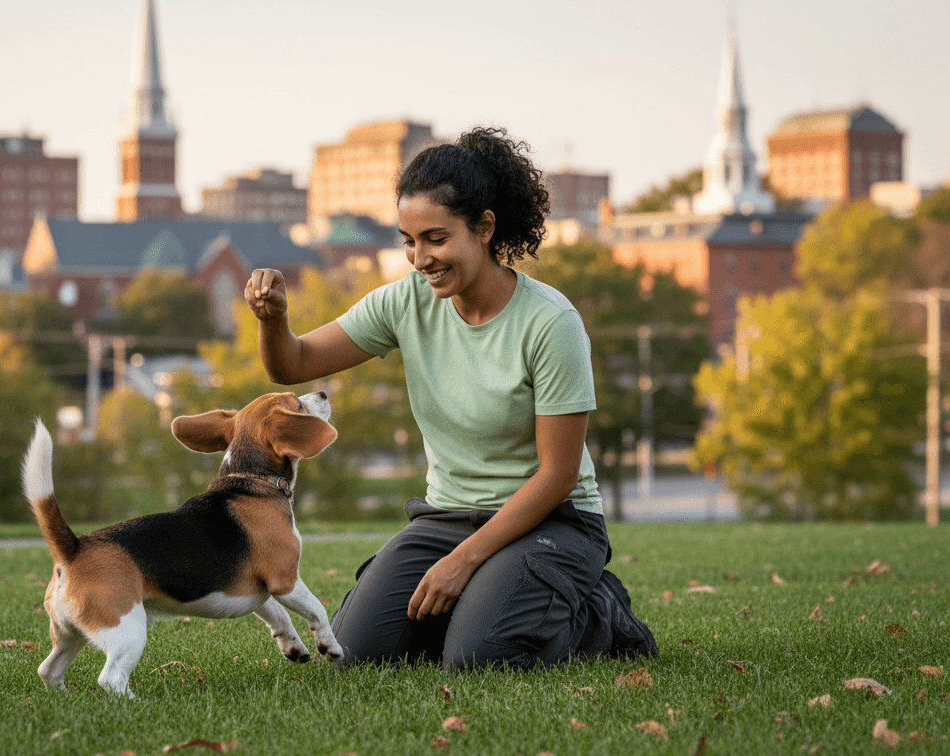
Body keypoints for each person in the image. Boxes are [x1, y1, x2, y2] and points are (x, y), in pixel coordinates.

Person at [243, 126, 656, 671]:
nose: (420, 258)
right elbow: (292, 364)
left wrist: (463, 561)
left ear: (484, 227)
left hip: (552, 521)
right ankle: (486, 601)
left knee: (479, 658)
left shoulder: (550, 323)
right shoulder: (405, 303)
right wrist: (273, 320)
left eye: (436, 239)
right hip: (447, 517)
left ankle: (600, 612)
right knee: (354, 655)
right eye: (408, 241)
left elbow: (557, 476)